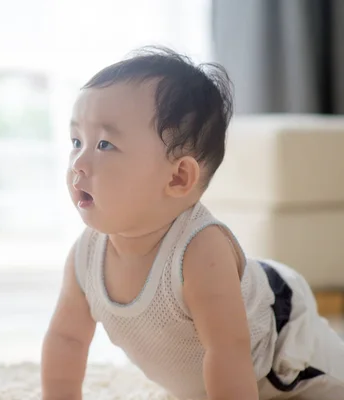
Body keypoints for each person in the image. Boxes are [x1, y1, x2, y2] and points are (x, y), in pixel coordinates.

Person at [40, 46, 344, 400]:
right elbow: (67, 338)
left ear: (178, 178)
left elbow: (228, 353)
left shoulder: (199, 252)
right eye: (77, 141)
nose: (79, 161)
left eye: (105, 144)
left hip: (284, 345)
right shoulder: (86, 256)